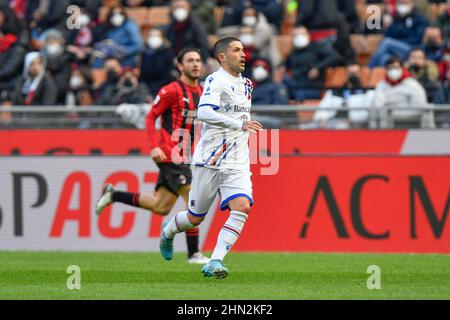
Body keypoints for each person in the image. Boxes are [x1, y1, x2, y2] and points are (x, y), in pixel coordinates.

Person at [159, 37, 263, 279]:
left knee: (242, 207)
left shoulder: (247, 84)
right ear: (222, 57)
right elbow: (204, 112)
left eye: (243, 50)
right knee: (195, 218)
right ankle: (169, 231)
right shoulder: (216, 80)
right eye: (236, 50)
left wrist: (241, 127)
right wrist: (239, 124)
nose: (243, 54)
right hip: (210, 159)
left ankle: (215, 261)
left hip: (237, 160)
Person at [95, 48, 210, 264]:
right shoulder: (170, 91)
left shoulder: (203, 93)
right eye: (190, 61)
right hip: (170, 154)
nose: (195, 64)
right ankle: (193, 253)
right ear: (180, 66)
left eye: (198, 60)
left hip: (187, 155)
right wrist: (153, 147)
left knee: (161, 206)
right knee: (194, 200)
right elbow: (151, 117)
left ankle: (113, 195)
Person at [373, 56, 431, 128]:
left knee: (429, 108)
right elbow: (378, 104)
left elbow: (420, 105)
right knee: (381, 111)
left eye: (396, 68)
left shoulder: (411, 83)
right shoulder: (381, 84)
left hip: (410, 118)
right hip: (388, 117)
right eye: (390, 68)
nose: (393, 71)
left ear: (402, 69)